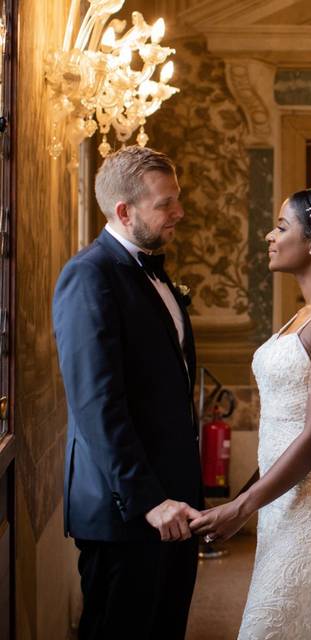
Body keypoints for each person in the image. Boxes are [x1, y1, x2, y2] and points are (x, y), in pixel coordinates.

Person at [190, 188, 311, 639]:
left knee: (267, 626)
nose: (270, 236)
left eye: (281, 226)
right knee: (303, 625)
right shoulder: (302, 316)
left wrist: (241, 508)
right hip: (283, 495)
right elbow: (280, 429)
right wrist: (243, 501)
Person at [52, 146, 202, 640]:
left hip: (175, 503)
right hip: (127, 509)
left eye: (176, 199)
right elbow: (96, 405)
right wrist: (148, 501)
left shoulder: (151, 271)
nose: (178, 212)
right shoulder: (89, 275)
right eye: (165, 204)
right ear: (124, 211)